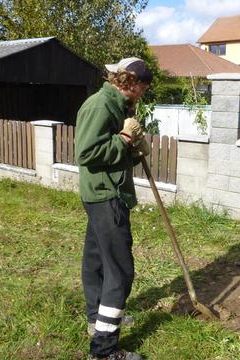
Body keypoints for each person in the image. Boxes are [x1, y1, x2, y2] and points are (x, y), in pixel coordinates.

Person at [74, 57, 153, 360]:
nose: (142, 95)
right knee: (120, 270)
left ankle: (98, 321)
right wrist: (123, 139)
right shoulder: (100, 106)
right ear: (129, 82)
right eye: (141, 88)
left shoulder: (117, 107)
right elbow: (87, 152)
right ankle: (105, 350)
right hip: (106, 196)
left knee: (95, 261)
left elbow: (113, 155)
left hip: (103, 192)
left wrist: (134, 150)